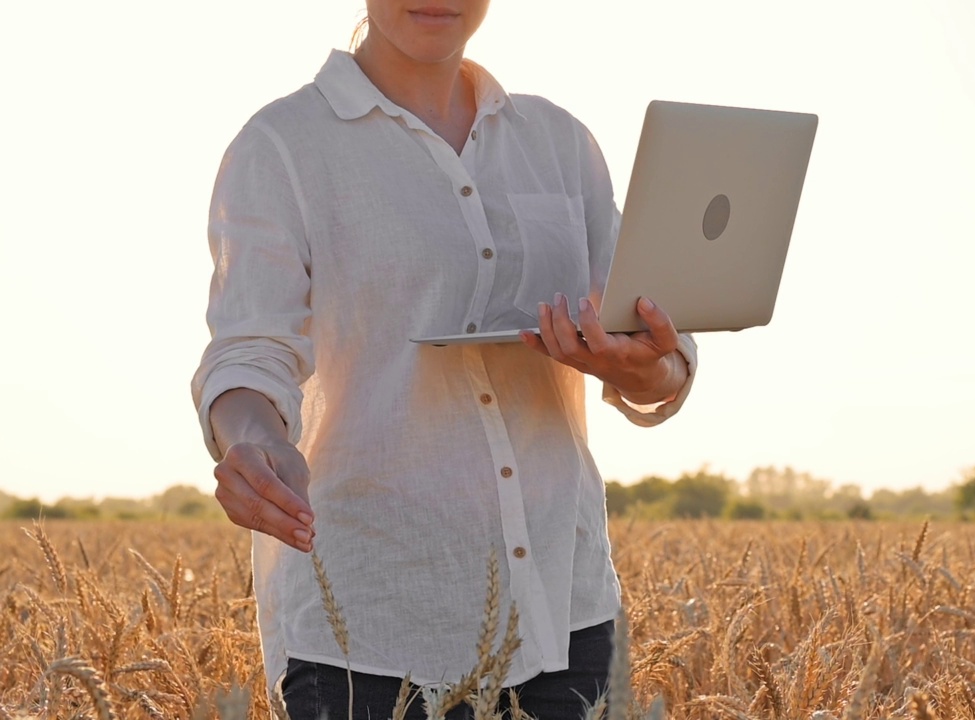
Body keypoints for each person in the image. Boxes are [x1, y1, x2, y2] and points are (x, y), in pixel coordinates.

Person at [190, 2, 697, 718]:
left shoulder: (558, 141)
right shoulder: (282, 145)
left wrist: (650, 370)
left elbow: (661, 348)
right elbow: (249, 348)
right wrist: (255, 440)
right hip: (368, 634)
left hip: (568, 618)